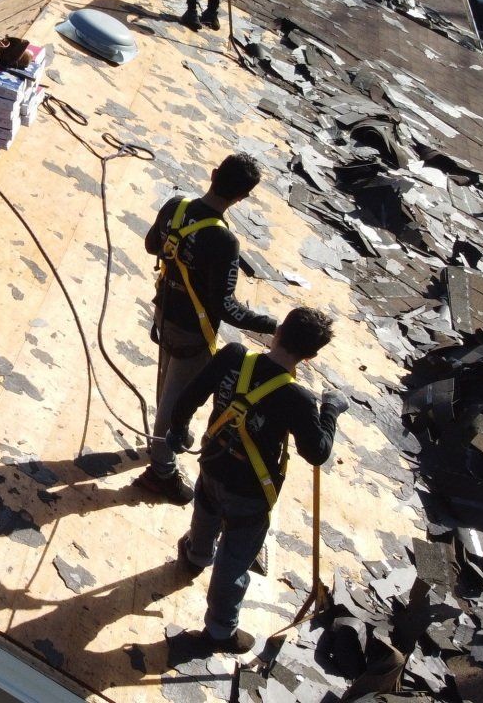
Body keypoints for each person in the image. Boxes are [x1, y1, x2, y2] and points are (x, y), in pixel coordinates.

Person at [164, 306, 347, 654]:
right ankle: (219, 631)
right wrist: (331, 412)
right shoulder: (300, 399)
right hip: (251, 491)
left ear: (277, 332)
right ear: (311, 356)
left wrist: (179, 428)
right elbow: (318, 451)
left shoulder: (234, 357)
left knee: (205, 509)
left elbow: (191, 393)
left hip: (213, 464)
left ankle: (196, 555)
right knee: (234, 559)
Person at [133, 153, 278, 506]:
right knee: (177, 399)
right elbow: (225, 308)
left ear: (213, 174)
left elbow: (153, 245)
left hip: (164, 311)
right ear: (242, 198)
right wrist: (273, 325)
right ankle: (160, 471)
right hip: (193, 331)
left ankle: (161, 439)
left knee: (167, 384)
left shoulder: (176, 206)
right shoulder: (224, 242)